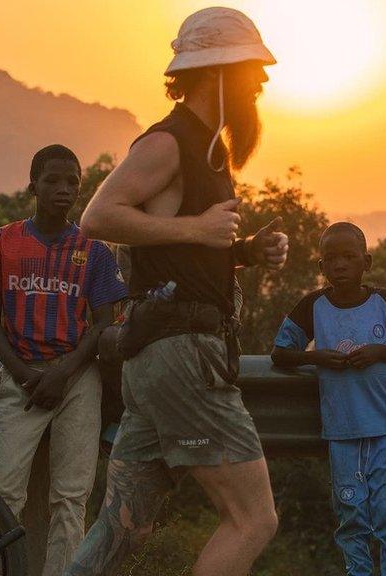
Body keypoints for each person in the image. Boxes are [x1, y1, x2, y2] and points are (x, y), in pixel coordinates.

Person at [66, 7, 288, 576]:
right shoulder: (170, 142)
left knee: (121, 528)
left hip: (158, 358)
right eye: (251, 69)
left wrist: (241, 253)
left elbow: (174, 254)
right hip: (184, 355)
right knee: (253, 519)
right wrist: (199, 229)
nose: (261, 80)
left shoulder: (210, 148)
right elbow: (98, 217)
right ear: (216, 72)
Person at [0, 144, 128, 576]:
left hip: (76, 377)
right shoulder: (2, 241)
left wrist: (63, 372)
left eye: (72, 181)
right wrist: (22, 373)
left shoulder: (94, 249)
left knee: (71, 496)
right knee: (2, 492)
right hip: (19, 375)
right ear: (32, 185)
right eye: (52, 180)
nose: (64, 189)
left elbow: (102, 323)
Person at [271, 222, 386, 576]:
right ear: (321, 267)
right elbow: (281, 352)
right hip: (341, 432)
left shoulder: (383, 302)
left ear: (366, 262)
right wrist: (315, 356)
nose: (340, 265)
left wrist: (380, 352)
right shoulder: (313, 306)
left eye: (349, 257)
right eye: (331, 259)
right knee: (351, 516)